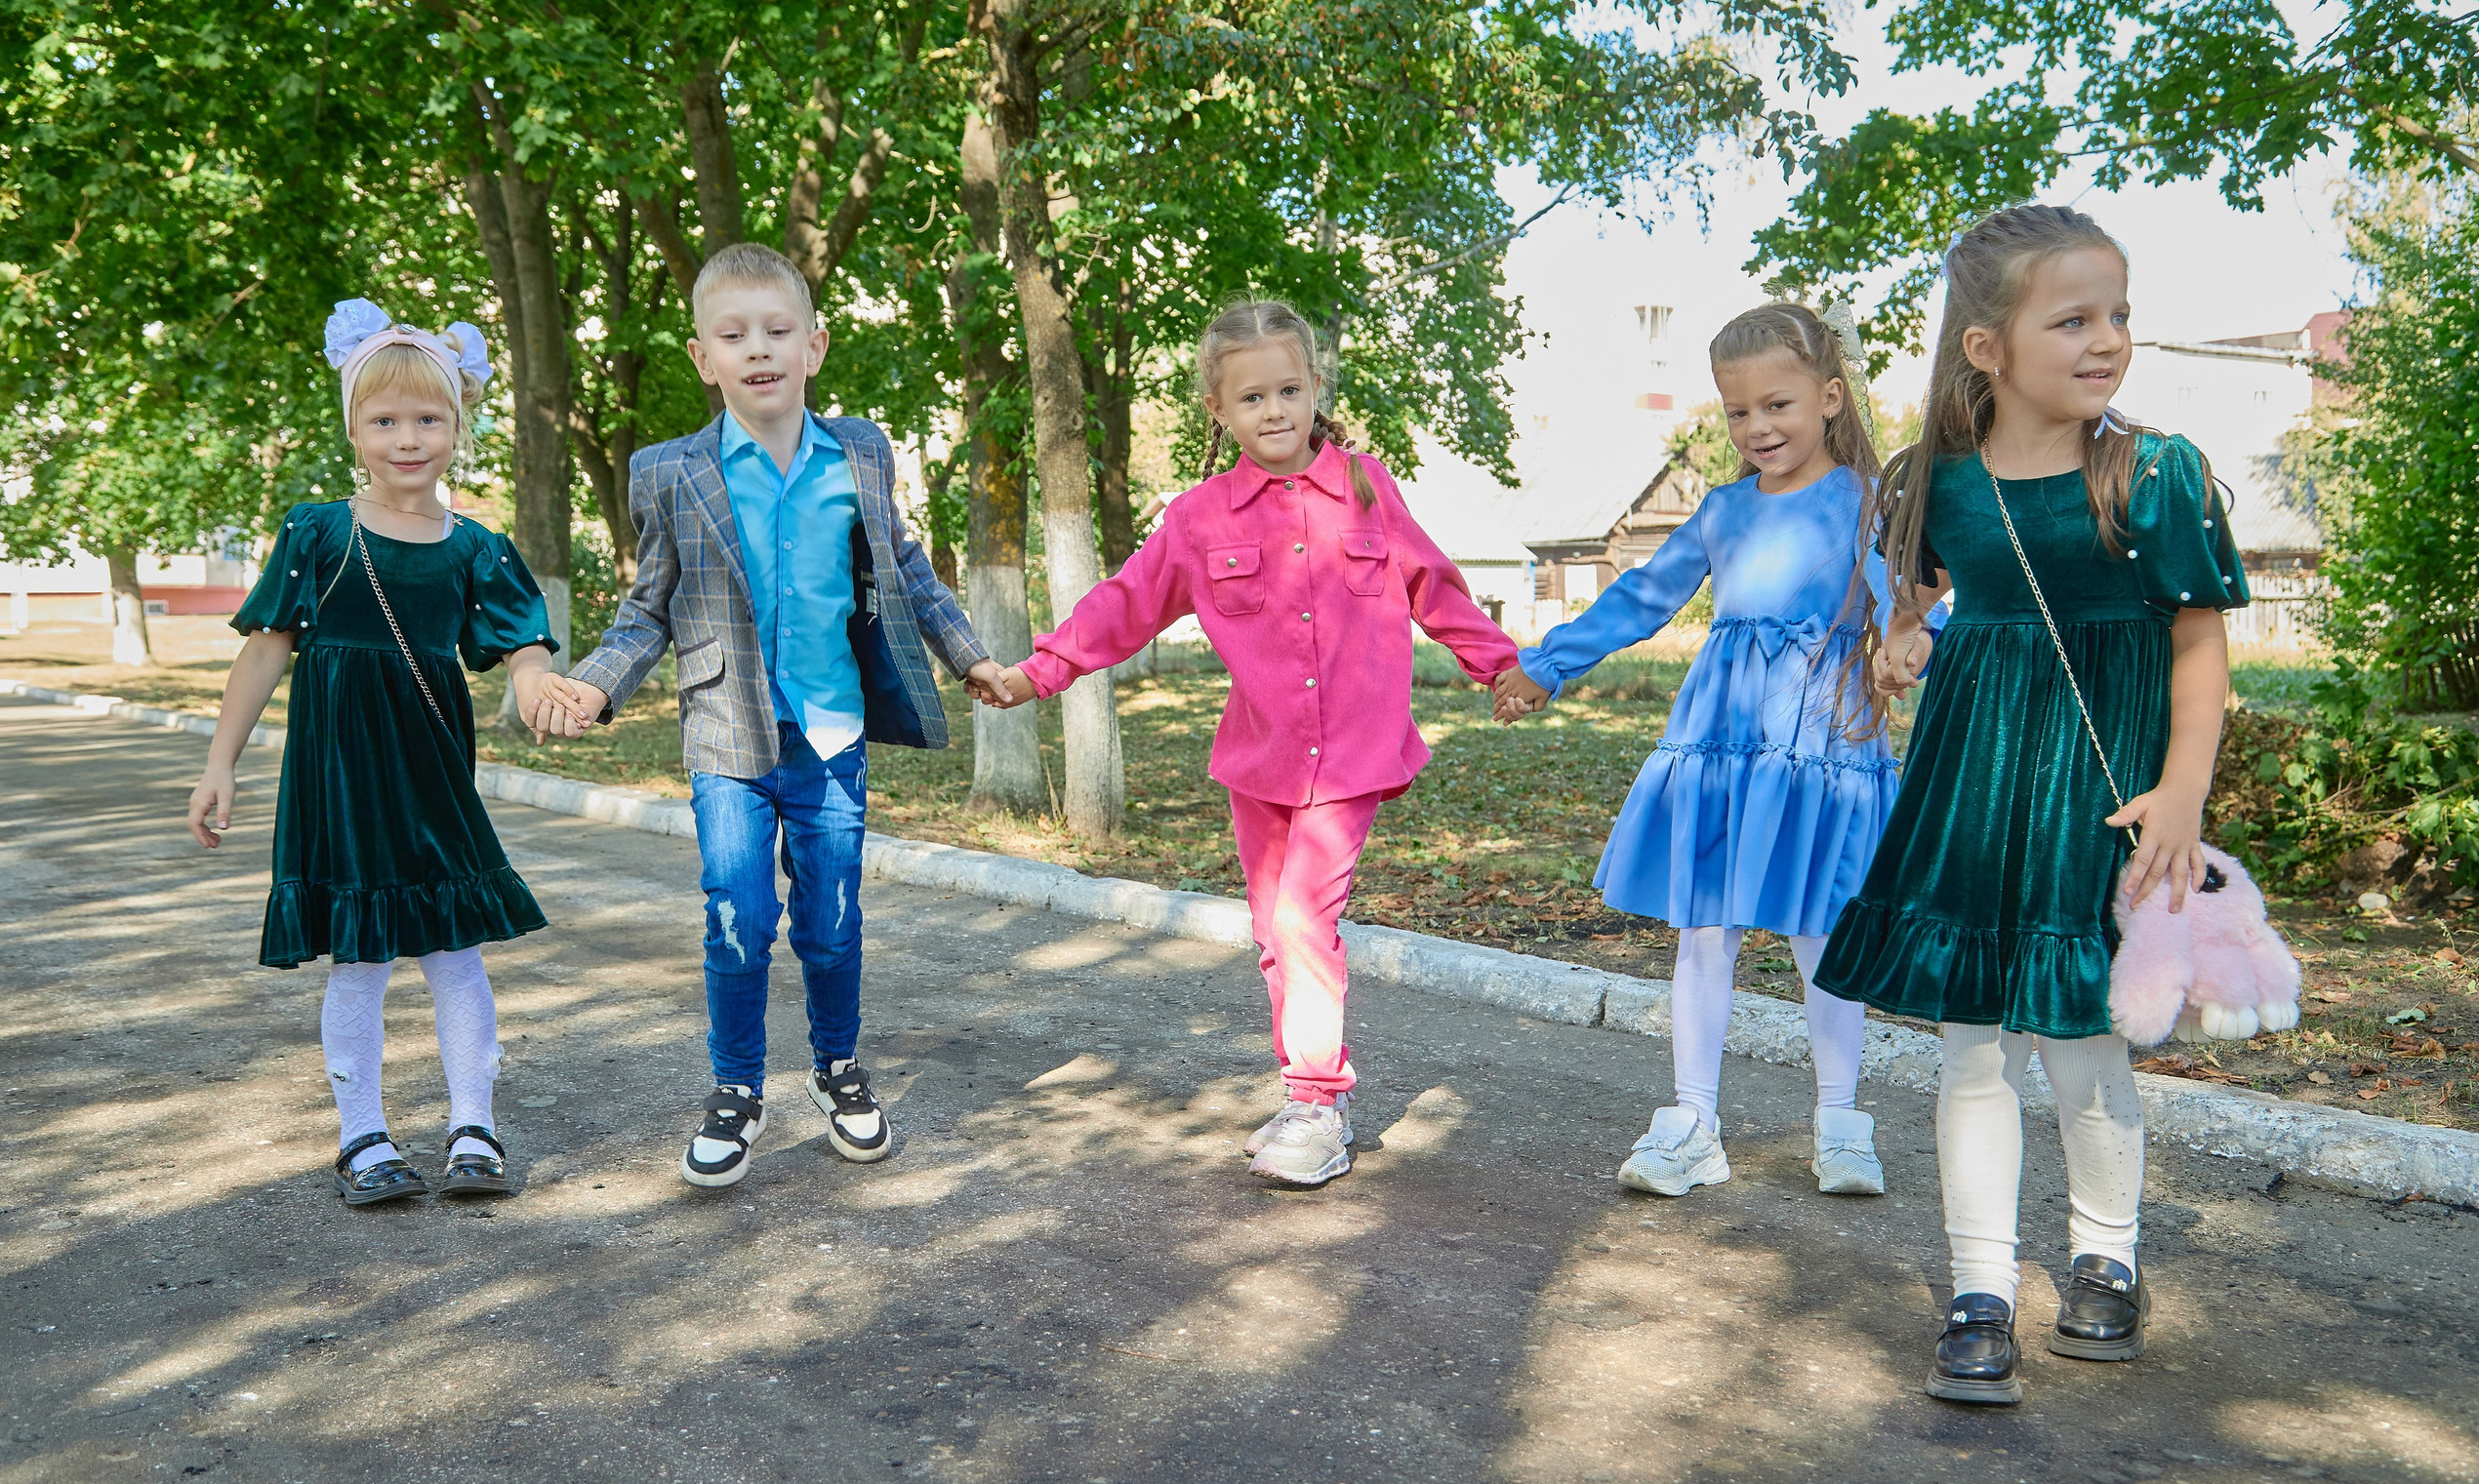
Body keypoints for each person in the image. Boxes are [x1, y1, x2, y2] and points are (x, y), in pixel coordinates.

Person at [1812, 205, 2248, 1405]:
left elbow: (2199, 647)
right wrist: (1903, 635)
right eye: (2073, 319)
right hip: (1973, 786)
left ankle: (2106, 1259)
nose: (2106, 339)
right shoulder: (1931, 484)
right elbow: (1917, 591)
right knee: (1970, 1044)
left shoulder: (2155, 473)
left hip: (2106, 796)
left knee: (2082, 1035)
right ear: (1986, 349)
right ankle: (1978, 1288)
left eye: (2118, 315)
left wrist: (2181, 795)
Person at [981, 299, 1524, 1185]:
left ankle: (1316, 1098)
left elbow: (1436, 584)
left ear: (1316, 389)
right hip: (1261, 757)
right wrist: (1037, 671)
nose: (1274, 411)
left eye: (1289, 390)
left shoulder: (1365, 487)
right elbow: (1124, 604)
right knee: (1277, 931)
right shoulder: (1200, 518)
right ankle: (1313, 1094)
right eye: (1252, 398)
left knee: (1307, 917)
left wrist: (1497, 666)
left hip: (1352, 750)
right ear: (1219, 411)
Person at [535, 243, 1012, 1189]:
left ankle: (837, 1069)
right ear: (701, 356)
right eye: (732, 334)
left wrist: (971, 655)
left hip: (831, 734)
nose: (757, 349)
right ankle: (736, 1091)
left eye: (777, 330)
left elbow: (907, 570)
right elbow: (648, 606)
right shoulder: (670, 473)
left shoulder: (861, 453)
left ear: (814, 346)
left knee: (831, 922)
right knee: (737, 918)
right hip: (726, 736)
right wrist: (596, 681)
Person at [1493, 302, 1942, 1198]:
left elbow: (1914, 601)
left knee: (1825, 932)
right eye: (1738, 411)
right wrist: (1548, 664)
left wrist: (1916, 643)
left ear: (1827, 396)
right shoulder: (1723, 508)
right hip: (1720, 745)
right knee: (1706, 929)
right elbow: (1641, 597)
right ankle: (1692, 1121)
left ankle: (1841, 1121)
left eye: (1777, 404)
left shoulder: (1865, 500)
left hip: (1820, 744)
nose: (1757, 427)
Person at [189, 300, 561, 1207]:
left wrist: (535, 682)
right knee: (359, 959)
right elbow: (267, 647)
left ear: (457, 427)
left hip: (432, 777)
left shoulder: (474, 547)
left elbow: (522, 641)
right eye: (385, 420)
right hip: (342, 781)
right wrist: (219, 761)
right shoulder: (317, 533)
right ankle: (363, 1138)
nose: (407, 438)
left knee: (454, 951)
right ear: (354, 426)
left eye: (428, 419)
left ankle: (473, 1126)